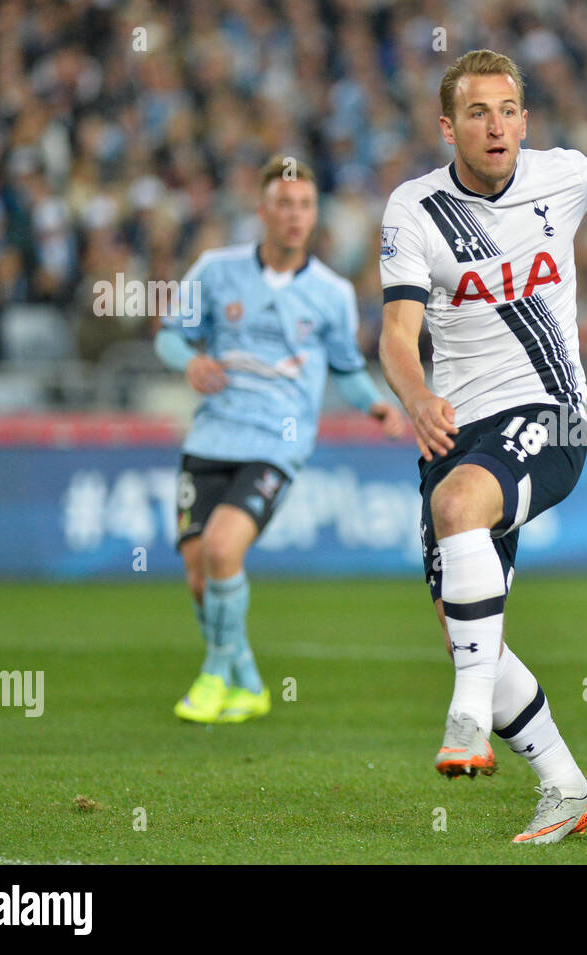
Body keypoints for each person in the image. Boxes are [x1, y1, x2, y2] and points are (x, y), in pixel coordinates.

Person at [377, 49, 587, 844]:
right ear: (447, 126)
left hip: (552, 413)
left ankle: (462, 716)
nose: (498, 126)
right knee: (467, 625)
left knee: (459, 511)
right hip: (454, 425)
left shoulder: (561, 174)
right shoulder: (414, 210)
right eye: (479, 113)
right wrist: (416, 396)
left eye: (510, 110)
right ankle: (564, 785)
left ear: (526, 117)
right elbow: (395, 331)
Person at [155, 154, 405, 724]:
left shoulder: (331, 293)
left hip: (276, 442)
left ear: (314, 215)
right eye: (284, 204)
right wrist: (189, 363)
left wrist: (374, 404)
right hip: (213, 435)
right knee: (199, 574)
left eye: (305, 205)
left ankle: (214, 675)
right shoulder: (216, 272)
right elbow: (170, 336)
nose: (295, 215)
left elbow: (344, 366)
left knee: (222, 550)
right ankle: (247, 680)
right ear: (263, 210)